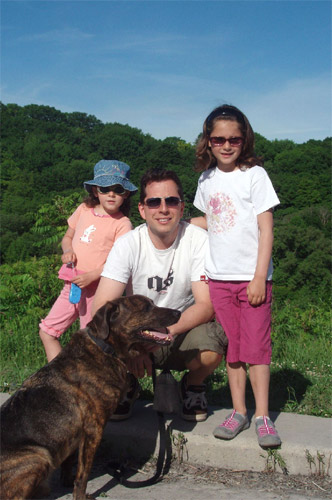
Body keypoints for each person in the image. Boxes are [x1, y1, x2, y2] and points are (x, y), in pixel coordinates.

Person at [92, 168, 227, 422]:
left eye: (171, 201)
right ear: (142, 209)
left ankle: (193, 385)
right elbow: (102, 307)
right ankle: (128, 382)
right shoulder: (128, 244)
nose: (163, 208)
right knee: (102, 336)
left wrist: (168, 332)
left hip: (181, 330)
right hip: (137, 333)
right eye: (154, 202)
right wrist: (131, 346)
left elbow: (205, 305)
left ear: (182, 207)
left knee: (213, 341)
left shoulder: (198, 240)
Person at [191, 104, 281, 448]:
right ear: (208, 141)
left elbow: (266, 228)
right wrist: (175, 224)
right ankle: (238, 411)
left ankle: (262, 416)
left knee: (257, 349)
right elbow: (212, 222)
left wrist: (259, 276)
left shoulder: (254, 175)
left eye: (234, 139)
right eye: (219, 139)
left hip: (252, 278)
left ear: (245, 140)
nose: (226, 145)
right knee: (234, 350)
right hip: (218, 279)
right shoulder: (206, 179)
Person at [39, 160, 137, 362]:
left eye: (118, 190)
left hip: (98, 290)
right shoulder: (83, 209)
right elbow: (67, 237)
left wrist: (92, 275)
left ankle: (93, 387)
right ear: (95, 191)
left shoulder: (123, 224)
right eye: (105, 188)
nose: (111, 194)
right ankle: (60, 379)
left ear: (126, 194)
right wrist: (67, 251)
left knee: (93, 342)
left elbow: (118, 262)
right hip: (72, 285)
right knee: (47, 331)